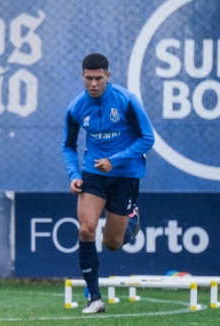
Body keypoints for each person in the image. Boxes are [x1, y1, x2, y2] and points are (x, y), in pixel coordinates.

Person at [61, 53, 155, 313]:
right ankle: (95, 299)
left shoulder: (126, 101)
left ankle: (132, 218)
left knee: (112, 243)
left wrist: (115, 160)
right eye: (89, 78)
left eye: (98, 78)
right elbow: (68, 146)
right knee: (86, 229)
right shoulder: (76, 107)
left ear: (108, 77)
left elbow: (147, 139)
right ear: (82, 76)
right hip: (94, 175)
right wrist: (74, 175)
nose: (93, 84)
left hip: (126, 175)